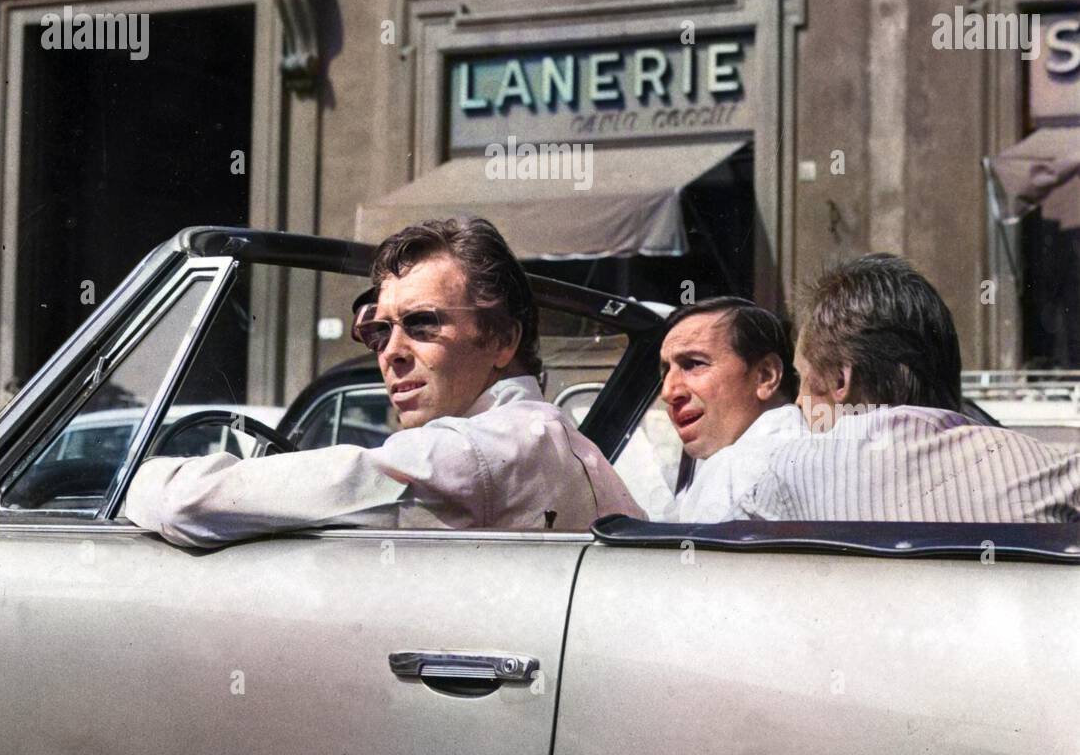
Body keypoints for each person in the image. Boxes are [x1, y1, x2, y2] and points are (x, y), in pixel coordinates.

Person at [126, 218, 644, 547]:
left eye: (422, 324)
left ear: (502, 341)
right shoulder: (563, 443)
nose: (391, 353)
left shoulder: (478, 451)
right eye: (377, 331)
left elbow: (190, 505)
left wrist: (140, 481)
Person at [730, 254, 1080, 523]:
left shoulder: (789, 471)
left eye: (802, 379)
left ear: (840, 381)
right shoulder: (1052, 473)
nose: (799, 404)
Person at [659, 297, 806, 522]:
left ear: (766, 376)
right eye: (665, 371)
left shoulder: (735, 469)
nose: (668, 392)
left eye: (694, 364)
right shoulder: (807, 447)